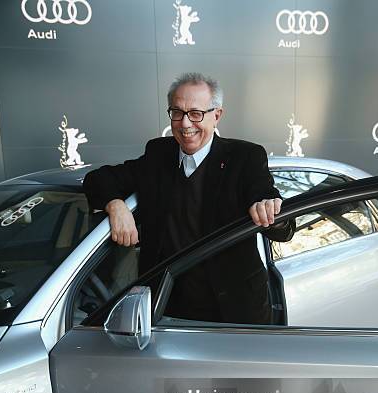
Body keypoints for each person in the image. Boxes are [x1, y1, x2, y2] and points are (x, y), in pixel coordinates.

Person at [83, 72, 294, 324]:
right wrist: (115, 205)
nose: (185, 124)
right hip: (165, 309)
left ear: (216, 116)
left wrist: (270, 211)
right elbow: (98, 179)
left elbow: (279, 222)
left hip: (235, 310)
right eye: (177, 112)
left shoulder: (245, 157)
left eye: (196, 113)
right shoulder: (158, 154)